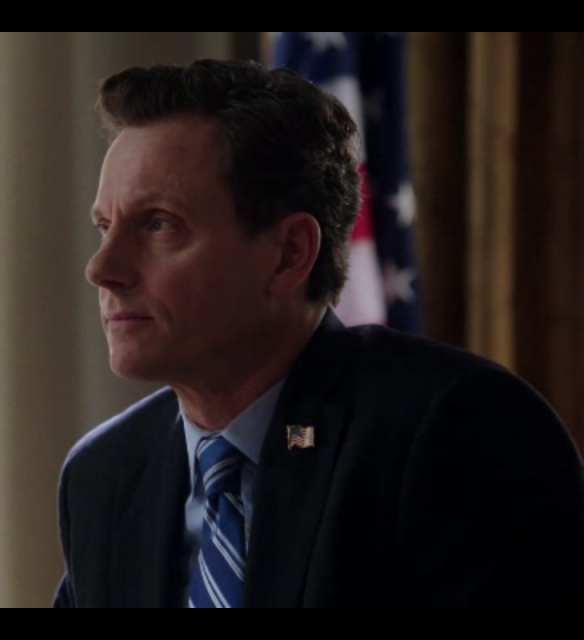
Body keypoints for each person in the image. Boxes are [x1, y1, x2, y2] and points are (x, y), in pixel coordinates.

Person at [53, 58, 584, 607]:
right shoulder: (105, 474)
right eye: (104, 227)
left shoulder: (458, 433)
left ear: (289, 254)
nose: (101, 268)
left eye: (159, 224)